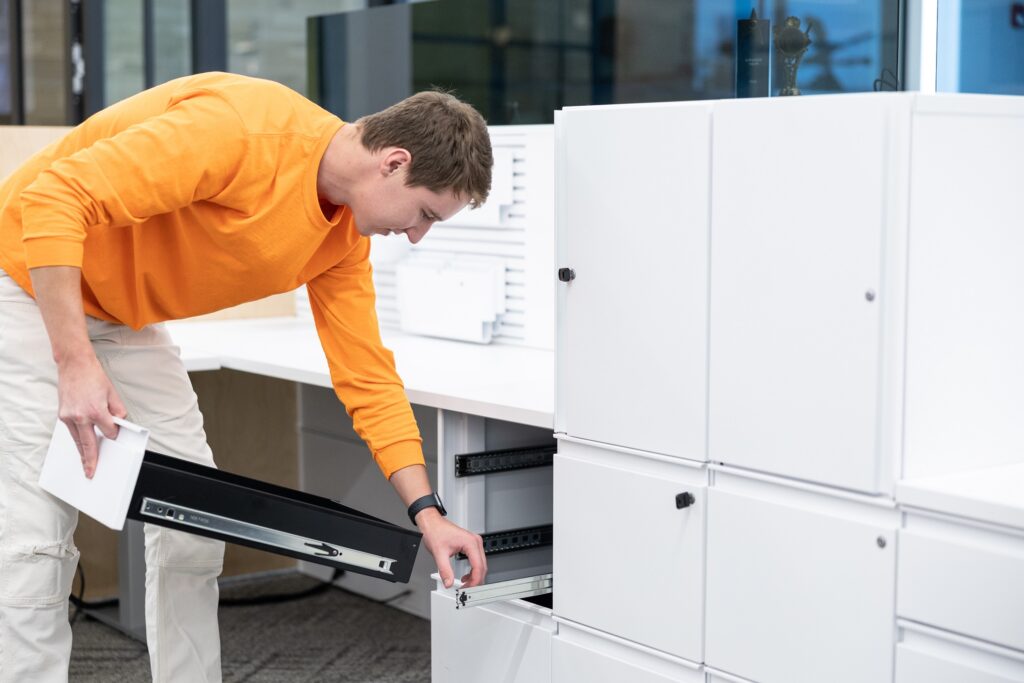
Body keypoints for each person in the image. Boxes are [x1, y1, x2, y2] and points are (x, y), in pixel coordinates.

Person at [0, 71, 490, 682]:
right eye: (424, 214)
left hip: (125, 317)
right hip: (29, 283)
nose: (417, 235)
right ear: (393, 162)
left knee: (193, 525)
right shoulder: (242, 131)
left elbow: (368, 378)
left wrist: (429, 513)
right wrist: (75, 364)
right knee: (36, 541)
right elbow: (53, 198)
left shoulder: (342, 237)